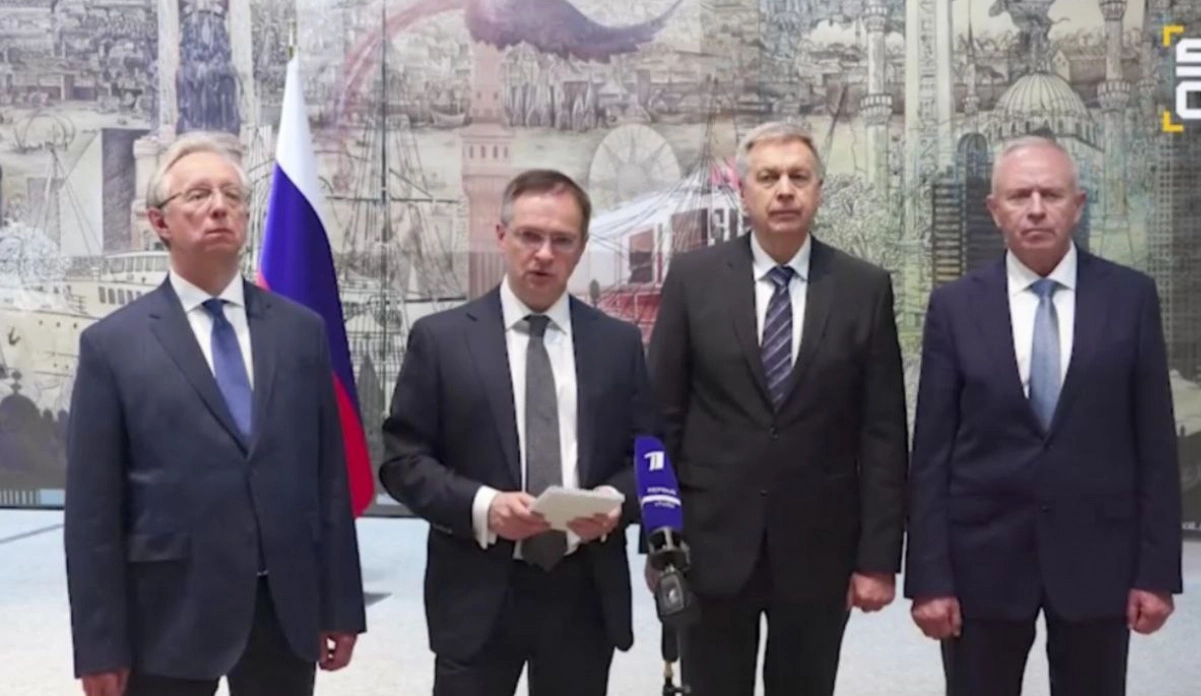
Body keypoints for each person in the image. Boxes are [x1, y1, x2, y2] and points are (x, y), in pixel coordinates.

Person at [63, 131, 366, 696]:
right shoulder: (113, 345)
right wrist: (99, 644)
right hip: (167, 615)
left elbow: (328, 480)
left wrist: (341, 603)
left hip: (283, 611)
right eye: (198, 195)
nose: (220, 207)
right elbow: (92, 513)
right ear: (160, 222)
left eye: (233, 195)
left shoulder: (300, 333)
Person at [904, 135, 1182, 696]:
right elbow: (931, 453)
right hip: (982, 563)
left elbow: (1155, 444)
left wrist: (1156, 573)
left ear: (1078, 205)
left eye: (1051, 195)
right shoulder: (955, 307)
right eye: (1019, 196)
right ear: (994, 209)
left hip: (1097, 559)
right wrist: (929, 578)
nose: (1035, 209)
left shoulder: (1130, 298)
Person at [647, 121, 910, 696]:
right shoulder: (693, 280)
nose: (785, 190)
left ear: (818, 190)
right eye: (768, 177)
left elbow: (883, 434)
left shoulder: (863, 288)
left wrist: (878, 558)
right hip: (710, 546)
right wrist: (659, 537)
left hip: (820, 549)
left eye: (799, 177)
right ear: (744, 193)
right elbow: (659, 422)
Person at [380, 169, 656, 696]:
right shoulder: (441, 340)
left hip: (583, 592)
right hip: (477, 589)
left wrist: (613, 501)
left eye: (562, 240)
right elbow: (403, 462)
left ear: (580, 249)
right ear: (501, 236)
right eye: (530, 236)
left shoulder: (618, 345)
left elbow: (648, 455)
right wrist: (484, 507)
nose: (544, 254)